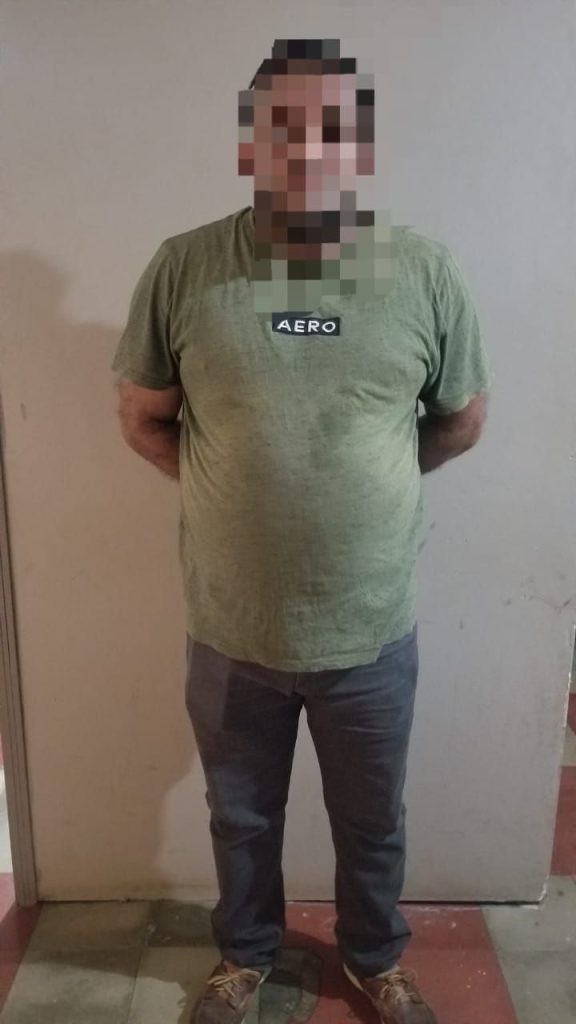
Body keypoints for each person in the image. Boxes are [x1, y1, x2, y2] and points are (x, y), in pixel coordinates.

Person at [111, 37, 493, 1024]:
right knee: (240, 817)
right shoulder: (185, 267)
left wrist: (368, 492)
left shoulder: (423, 271)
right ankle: (244, 956)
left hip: (370, 626)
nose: (309, 149)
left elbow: (461, 418)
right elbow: (145, 416)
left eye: (332, 129)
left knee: (372, 819)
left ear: (361, 147)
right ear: (251, 144)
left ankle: (374, 956)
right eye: (285, 127)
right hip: (230, 627)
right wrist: (226, 491)